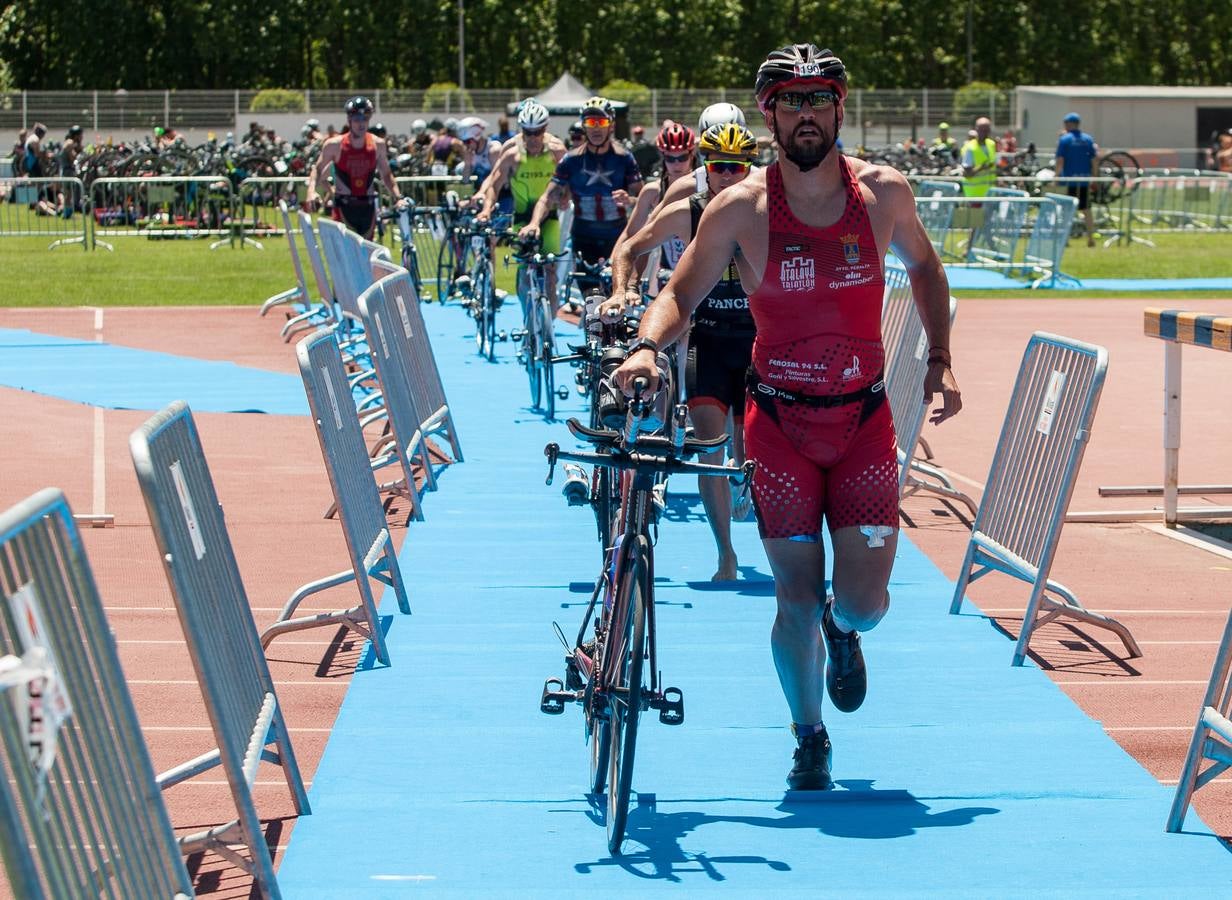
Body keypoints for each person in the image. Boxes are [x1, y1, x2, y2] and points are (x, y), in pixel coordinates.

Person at [611, 44, 961, 791]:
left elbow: (928, 268)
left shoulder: (885, 194)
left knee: (863, 606)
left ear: (840, 108)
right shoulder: (742, 209)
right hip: (780, 427)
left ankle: (846, 633)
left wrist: (940, 357)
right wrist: (646, 347)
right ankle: (809, 737)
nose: (808, 114)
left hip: (862, 422)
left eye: (820, 99)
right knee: (794, 599)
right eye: (792, 101)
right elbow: (682, 290)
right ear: (768, 114)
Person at [605, 123, 759, 581]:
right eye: (719, 167)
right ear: (704, 170)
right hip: (708, 342)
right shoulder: (685, 211)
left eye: (738, 167)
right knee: (711, 451)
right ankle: (725, 554)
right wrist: (621, 290)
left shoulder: (766, 210)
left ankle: (766, 528)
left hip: (758, 344)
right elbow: (630, 247)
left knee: (751, 451)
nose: (729, 176)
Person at [520, 97, 642, 291]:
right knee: (592, 301)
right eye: (589, 122)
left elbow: (644, 198)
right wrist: (534, 223)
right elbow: (548, 196)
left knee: (618, 300)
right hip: (584, 239)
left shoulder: (624, 158)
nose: (595, 128)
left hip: (617, 238)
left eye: (600, 122)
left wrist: (630, 200)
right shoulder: (571, 159)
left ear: (611, 124)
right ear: (583, 125)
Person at [474, 99, 568, 302]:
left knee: (550, 271)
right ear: (521, 130)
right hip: (522, 218)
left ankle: (548, 324)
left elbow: (572, 177)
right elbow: (494, 183)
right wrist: (486, 209)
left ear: (545, 128)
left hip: (549, 218)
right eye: (528, 132)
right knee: (525, 270)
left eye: (537, 132)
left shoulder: (557, 149)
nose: (533, 137)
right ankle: (529, 318)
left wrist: (566, 197)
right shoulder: (511, 152)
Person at [609, 121, 699, 291]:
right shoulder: (652, 191)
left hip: (701, 274)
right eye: (670, 158)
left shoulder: (704, 187)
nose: (677, 164)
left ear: (692, 154)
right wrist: (613, 263)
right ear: (662, 156)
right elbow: (631, 233)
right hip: (667, 274)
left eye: (682, 157)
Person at [305, 96, 405, 239]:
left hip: (367, 207)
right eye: (357, 119)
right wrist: (311, 192)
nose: (361, 123)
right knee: (344, 256)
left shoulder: (378, 144)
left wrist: (398, 198)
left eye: (365, 118)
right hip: (344, 206)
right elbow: (318, 169)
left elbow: (387, 175)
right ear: (349, 120)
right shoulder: (334, 145)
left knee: (366, 255)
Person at [1053, 112, 1099, 246]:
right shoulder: (1088, 139)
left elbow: (1060, 160)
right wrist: (1094, 178)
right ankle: (1091, 238)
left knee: (1067, 211)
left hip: (1068, 180)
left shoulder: (1065, 139)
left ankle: (1065, 239)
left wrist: (1056, 176)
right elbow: (1095, 160)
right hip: (1084, 180)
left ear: (1069, 124)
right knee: (1086, 210)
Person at [960, 117, 997, 198]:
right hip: (974, 194)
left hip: (991, 193)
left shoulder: (991, 144)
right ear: (976, 130)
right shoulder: (970, 148)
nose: (984, 132)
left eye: (986, 130)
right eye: (981, 130)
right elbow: (967, 174)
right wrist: (981, 167)